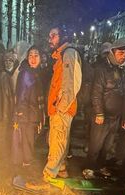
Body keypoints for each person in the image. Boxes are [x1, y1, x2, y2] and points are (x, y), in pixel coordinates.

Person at [86, 39, 125, 173]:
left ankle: (100, 166)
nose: (123, 56)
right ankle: (89, 167)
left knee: (107, 145)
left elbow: (124, 92)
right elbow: (96, 92)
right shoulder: (102, 69)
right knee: (96, 145)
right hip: (102, 116)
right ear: (113, 52)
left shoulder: (123, 69)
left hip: (115, 116)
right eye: (120, 52)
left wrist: (123, 115)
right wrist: (99, 113)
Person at [43, 25, 82, 180]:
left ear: (63, 36)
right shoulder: (62, 55)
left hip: (62, 109)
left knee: (57, 142)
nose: (50, 39)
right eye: (50, 36)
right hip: (59, 108)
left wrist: (61, 107)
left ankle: (48, 176)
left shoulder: (69, 54)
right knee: (60, 141)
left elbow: (71, 84)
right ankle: (61, 169)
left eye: (53, 35)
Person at [11, 46, 45, 168]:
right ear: (26, 57)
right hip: (27, 114)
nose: (33, 58)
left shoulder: (35, 72)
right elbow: (21, 95)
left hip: (33, 113)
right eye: (30, 55)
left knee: (29, 138)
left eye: (36, 55)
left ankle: (26, 161)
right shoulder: (26, 73)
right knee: (26, 138)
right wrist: (21, 112)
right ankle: (26, 164)